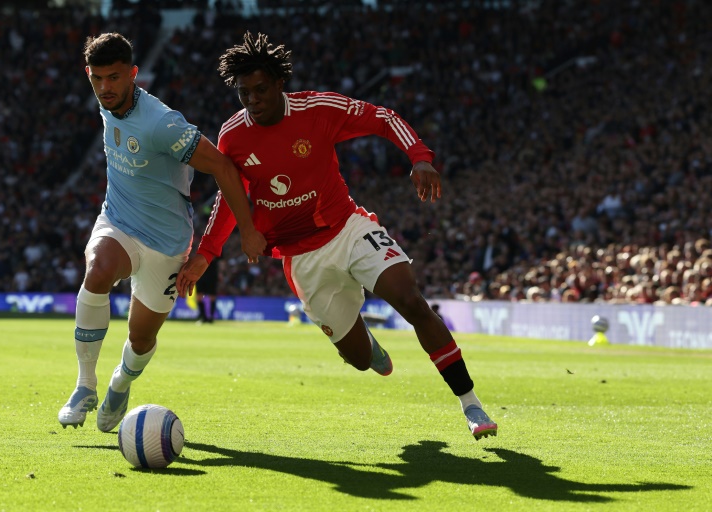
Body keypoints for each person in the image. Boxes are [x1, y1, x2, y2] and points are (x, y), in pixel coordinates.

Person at [176, 31, 497, 440]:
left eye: (260, 90)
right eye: (244, 93)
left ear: (279, 84)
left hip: (347, 228)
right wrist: (207, 252)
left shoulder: (318, 109)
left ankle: (471, 404)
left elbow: (384, 118)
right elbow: (229, 195)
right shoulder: (233, 136)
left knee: (411, 300)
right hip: (301, 259)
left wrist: (419, 156)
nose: (253, 100)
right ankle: (369, 345)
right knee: (361, 360)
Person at [57, 33, 266, 431]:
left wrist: (247, 228)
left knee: (140, 339)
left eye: (115, 78)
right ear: (89, 75)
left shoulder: (163, 125)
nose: (106, 88)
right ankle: (85, 385)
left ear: (134, 74)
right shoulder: (106, 104)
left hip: (167, 243)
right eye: (98, 78)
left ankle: (122, 382)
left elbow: (223, 167)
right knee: (98, 271)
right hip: (118, 221)